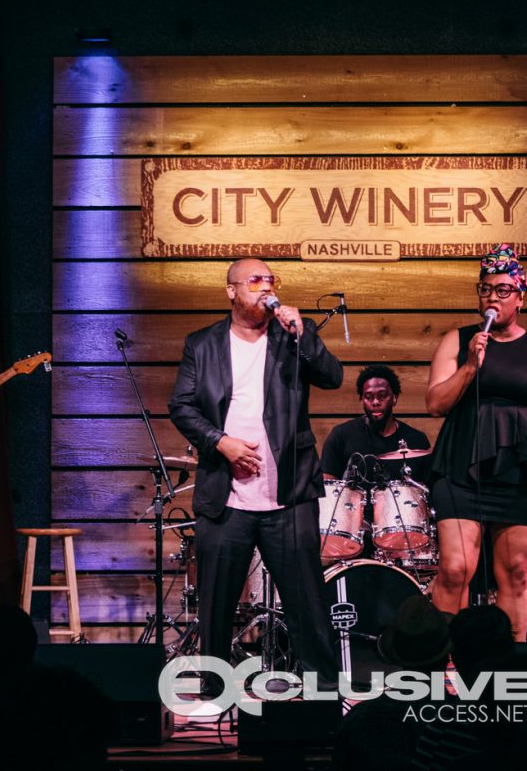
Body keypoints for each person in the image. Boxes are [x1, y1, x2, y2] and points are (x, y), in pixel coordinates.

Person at [168, 258, 342, 687]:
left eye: (270, 280)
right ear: (232, 291)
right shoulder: (202, 344)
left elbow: (333, 378)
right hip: (226, 497)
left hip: (289, 494)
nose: (266, 287)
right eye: (255, 280)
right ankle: (215, 690)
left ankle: (322, 693)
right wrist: (219, 442)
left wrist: (302, 335)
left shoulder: (293, 335)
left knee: (307, 604)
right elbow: (182, 406)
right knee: (216, 605)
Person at [424, 244, 527, 639]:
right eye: (485, 289)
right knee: (455, 569)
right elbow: (435, 404)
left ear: (521, 297)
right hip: (461, 464)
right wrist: (470, 367)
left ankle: (509, 663)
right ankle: (446, 661)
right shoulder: (459, 340)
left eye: (503, 290)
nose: (492, 297)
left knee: (514, 572)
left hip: (519, 467)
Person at [321, 364, 432, 485]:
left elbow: (424, 491)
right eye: (368, 397)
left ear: (394, 398)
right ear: (362, 399)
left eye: (382, 396)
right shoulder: (341, 436)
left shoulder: (417, 440)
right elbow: (326, 486)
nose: (375, 402)